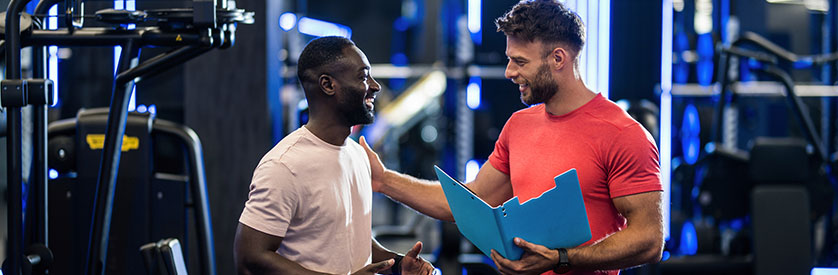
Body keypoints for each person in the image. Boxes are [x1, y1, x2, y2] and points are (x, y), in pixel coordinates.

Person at [358, 1, 663, 274]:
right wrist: (383, 180)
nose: (508, 72)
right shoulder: (519, 125)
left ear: (558, 59)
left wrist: (562, 258)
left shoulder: (623, 134)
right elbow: (469, 202)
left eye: (519, 61)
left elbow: (650, 240)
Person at [234, 36, 435, 275]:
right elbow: (249, 257)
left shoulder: (357, 155)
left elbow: (348, 239)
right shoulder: (284, 166)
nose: (375, 85)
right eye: (363, 77)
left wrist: (398, 264)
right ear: (328, 85)